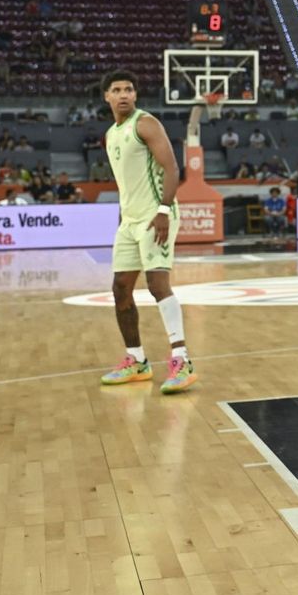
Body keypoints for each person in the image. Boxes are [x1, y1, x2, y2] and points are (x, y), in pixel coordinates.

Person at [97, 71, 197, 394]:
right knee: (120, 288)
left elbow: (171, 168)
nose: (124, 94)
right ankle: (136, 359)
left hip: (157, 216)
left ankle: (181, 359)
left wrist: (164, 210)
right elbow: (127, 185)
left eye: (129, 89)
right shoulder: (111, 134)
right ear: (107, 98)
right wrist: (123, 220)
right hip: (129, 222)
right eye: (117, 90)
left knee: (157, 284)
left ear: (135, 95)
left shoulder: (146, 124)